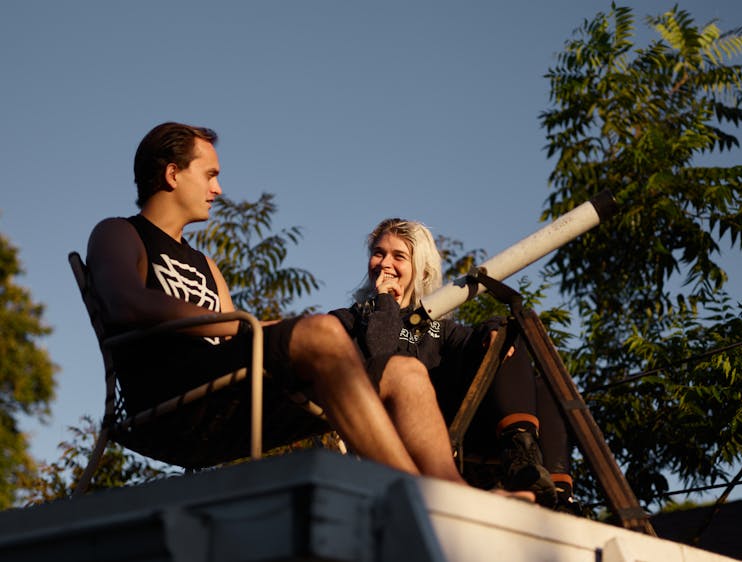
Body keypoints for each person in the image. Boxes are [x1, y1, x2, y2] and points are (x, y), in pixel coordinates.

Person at [85, 121, 534, 501]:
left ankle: (451, 494)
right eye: (210, 174)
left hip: (228, 391)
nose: (218, 189)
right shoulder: (119, 233)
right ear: (171, 174)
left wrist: (260, 331)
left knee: (404, 372)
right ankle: (414, 494)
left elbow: (236, 340)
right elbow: (125, 302)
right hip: (171, 399)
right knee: (321, 331)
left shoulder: (206, 265)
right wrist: (252, 328)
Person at [330, 218, 580, 511]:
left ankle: (540, 476)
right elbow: (383, 357)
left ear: (420, 269)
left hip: (461, 424)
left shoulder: (436, 327)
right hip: (411, 430)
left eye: (398, 256)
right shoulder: (353, 319)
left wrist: (493, 329)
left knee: (518, 351)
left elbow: (472, 341)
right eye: (378, 252)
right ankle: (526, 471)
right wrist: (385, 302)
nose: (385, 263)